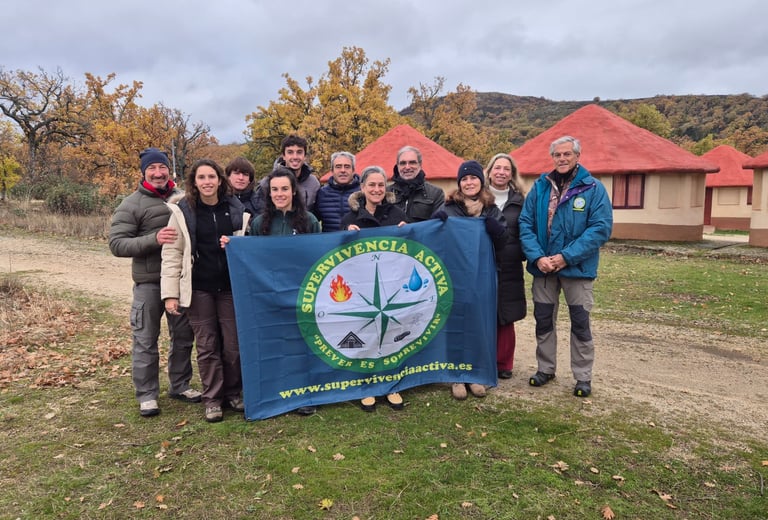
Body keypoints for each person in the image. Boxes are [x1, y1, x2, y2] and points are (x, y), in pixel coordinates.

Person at [108, 147, 200, 418]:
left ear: (168, 170)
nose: (158, 173)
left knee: (183, 337)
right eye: (152, 169)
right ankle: (147, 395)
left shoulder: (183, 199)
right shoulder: (131, 204)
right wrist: (153, 239)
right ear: (144, 172)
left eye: (162, 168)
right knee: (145, 339)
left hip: (180, 281)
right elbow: (117, 244)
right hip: (149, 283)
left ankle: (180, 385)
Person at [518, 136, 613, 398]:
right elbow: (525, 224)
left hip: (577, 270)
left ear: (577, 156)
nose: (562, 158)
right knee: (543, 320)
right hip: (544, 270)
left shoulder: (593, 188)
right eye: (557, 155)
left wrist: (565, 257)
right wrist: (538, 258)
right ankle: (545, 368)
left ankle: (582, 376)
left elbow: (600, 229)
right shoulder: (540, 187)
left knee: (580, 323)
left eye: (567, 154)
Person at [161, 159, 249, 423]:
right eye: (202, 177)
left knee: (233, 345)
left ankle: (233, 393)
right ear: (194, 182)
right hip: (198, 288)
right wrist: (170, 293)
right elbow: (172, 253)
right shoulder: (182, 211)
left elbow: (247, 246)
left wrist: (236, 243)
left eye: (212, 176)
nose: (207, 182)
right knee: (208, 345)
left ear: (220, 180)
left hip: (229, 288)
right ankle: (212, 399)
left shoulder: (235, 209)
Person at [432, 160, 509, 400]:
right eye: (464, 179)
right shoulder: (449, 208)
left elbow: (504, 241)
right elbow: (433, 235)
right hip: (454, 276)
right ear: (459, 184)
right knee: (455, 323)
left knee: (479, 323)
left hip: (482, 276)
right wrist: (438, 220)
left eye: (473, 178)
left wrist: (496, 229)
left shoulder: (491, 209)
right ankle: (456, 376)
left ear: (481, 181)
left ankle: (476, 374)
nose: (469, 182)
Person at [249, 166, 321, 415]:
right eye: (274, 190)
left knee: (300, 345)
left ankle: (302, 395)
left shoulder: (309, 221)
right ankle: (274, 393)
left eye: (284, 189)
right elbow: (250, 257)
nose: (279, 194)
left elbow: (319, 257)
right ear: (268, 193)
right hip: (269, 295)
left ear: (294, 191)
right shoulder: (259, 223)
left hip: (301, 295)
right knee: (273, 345)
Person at [340, 165, 408, 412]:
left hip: (391, 286)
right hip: (362, 288)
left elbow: (410, 250)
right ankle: (367, 384)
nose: (377, 189)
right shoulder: (349, 218)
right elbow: (338, 254)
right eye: (372, 185)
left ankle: (392, 383)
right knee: (365, 335)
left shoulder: (397, 213)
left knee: (391, 335)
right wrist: (345, 235)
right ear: (362, 188)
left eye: (381, 185)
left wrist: (407, 232)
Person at [485, 153, 527, 379]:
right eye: (497, 168)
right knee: (483, 311)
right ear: (489, 171)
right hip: (482, 264)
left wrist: (520, 253)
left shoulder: (520, 201)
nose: (501, 172)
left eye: (506, 169)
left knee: (506, 314)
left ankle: (504, 363)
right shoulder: (477, 197)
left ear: (512, 174)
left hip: (510, 264)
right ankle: (484, 357)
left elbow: (527, 230)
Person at [254, 135, 320, 215]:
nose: (295, 157)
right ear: (283, 156)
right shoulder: (267, 183)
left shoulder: (313, 183)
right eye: (290, 152)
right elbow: (260, 214)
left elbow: (316, 215)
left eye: (299, 152)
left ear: (305, 156)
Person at [388, 145, 445, 222]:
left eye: (412, 162)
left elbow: (437, 225)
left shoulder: (435, 194)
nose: (407, 167)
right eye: (403, 163)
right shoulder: (386, 193)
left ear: (420, 165)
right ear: (397, 166)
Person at [315, 151, 360, 232]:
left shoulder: (363, 192)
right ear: (332, 171)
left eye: (347, 166)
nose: (343, 170)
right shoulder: (321, 194)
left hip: (356, 242)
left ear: (353, 170)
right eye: (338, 166)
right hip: (331, 243)